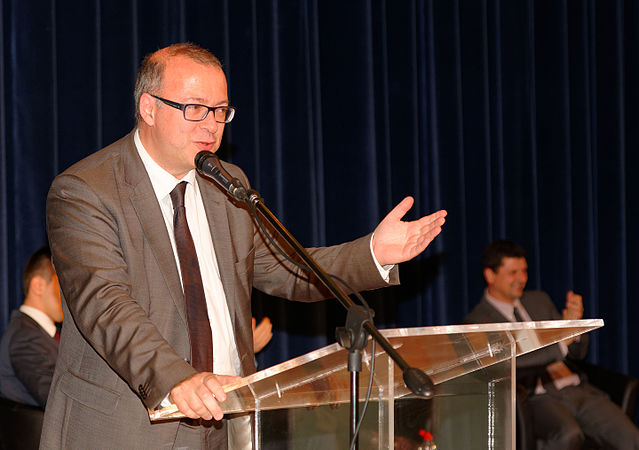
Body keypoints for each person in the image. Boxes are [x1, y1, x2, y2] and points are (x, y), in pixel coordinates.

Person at [41, 42, 447, 448]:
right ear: (149, 108)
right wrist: (178, 379)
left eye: (220, 111)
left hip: (226, 422)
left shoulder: (226, 184)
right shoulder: (85, 190)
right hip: (129, 429)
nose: (211, 125)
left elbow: (290, 270)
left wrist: (374, 253)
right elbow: (106, 305)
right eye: (195, 108)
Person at [463, 239, 639, 450]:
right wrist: (561, 341)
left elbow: (577, 353)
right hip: (536, 397)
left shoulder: (539, 300)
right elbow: (516, 361)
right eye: (513, 272)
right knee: (568, 436)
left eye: (524, 271)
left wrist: (573, 328)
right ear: (490, 275)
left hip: (575, 388)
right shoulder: (478, 322)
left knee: (631, 437)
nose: (522, 278)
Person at [0, 245, 62, 408]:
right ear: (38, 285)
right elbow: (56, 399)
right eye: (62, 283)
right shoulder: (25, 338)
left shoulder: (38, 334)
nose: (69, 293)